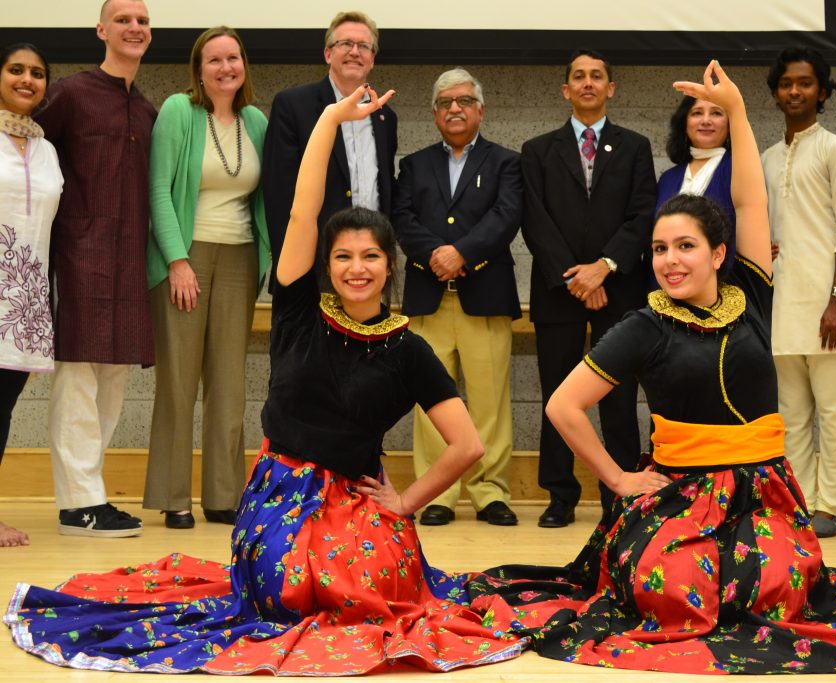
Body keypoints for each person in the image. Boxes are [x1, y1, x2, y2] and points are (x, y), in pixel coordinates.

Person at [465, 60, 836, 676]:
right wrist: (621, 481)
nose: (670, 261)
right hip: (676, 494)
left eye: (684, 247)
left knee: (779, 584)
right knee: (675, 591)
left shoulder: (753, 294)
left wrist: (734, 110)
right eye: (658, 249)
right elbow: (562, 406)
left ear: (719, 253)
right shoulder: (644, 324)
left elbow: (751, 197)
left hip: (761, 492)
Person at [5, 85, 525, 675]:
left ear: (389, 265)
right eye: (344, 257)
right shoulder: (300, 307)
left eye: (371, 257)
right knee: (292, 589)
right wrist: (330, 118)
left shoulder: (408, 347)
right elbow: (304, 211)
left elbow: (469, 445)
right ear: (326, 265)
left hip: (359, 501)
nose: (357, 269)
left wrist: (404, 502)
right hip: (284, 494)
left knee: (376, 591)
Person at [34, 0, 156, 537]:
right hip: (77, 256)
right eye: (124, 19)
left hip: (131, 260)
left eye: (143, 21)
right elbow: (24, 147)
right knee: (79, 380)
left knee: (113, 381)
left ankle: (93, 493)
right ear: (102, 30)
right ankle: (77, 503)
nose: (135, 27)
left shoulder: (150, 110)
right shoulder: (69, 93)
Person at [521, 49, 656, 527]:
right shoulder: (537, 150)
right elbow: (534, 222)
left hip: (619, 293)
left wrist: (604, 267)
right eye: (577, 76)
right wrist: (577, 277)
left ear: (611, 88)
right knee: (557, 395)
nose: (587, 83)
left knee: (618, 398)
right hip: (559, 294)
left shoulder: (636, 146)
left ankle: (617, 497)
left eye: (597, 76)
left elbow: (643, 215)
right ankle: (560, 496)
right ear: (565, 89)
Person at [143, 27, 271, 529]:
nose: (225, 68)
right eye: (214, 59)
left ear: (244, 65)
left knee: (229, 382)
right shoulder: (179, 111)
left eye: (233, 58)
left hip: (241, 258)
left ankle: (222, 495)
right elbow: (158, 187)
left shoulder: (255, 120)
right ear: (199, 69)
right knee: (178, 380)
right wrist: (177, 259)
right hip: (186, 254)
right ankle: (173, 496)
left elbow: (263, 199)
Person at [392, 68, 522, 527]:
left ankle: (490, 492)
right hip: (428, 299)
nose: (455, 109)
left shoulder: (506, 162)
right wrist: (436, 257)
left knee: (489, 400)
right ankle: (438, 492)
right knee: (432, 403)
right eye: (446, 102)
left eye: (464, 101)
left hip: (484, 297)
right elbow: (403, 219)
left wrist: (462, 253)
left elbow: (507, 216)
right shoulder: (413, 165)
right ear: (433, 113)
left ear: (480, 110)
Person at [760, 47, 836, 538]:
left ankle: (830, 505)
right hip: (783, 304)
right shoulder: (767, 157)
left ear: (822, 92)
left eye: (805, 83)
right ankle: (798, 500)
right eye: (787, 83)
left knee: (832, 412)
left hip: (830, 306)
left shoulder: (835, 149)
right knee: (791, 415)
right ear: (776, 91)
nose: (795, 91)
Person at [262, 10, 397, 284]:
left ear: (372, 59)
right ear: (328, 54)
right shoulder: (293, 106)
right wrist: (290, 271)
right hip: (310, 268)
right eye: (345, 44)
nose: (355, 52)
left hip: (368, 270)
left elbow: (384, 190)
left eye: (364, 46)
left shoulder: (386, 117)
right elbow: (279, 194)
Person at [0, 43, 62, 548]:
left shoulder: (46, 149)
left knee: (1, 410)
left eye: (37, 73)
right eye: (16, 69)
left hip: (24, 305)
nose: (27, 79)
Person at [653, 94, 735, 280]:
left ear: (730, 124)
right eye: (697, 113)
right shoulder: (667, 179)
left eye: (716, 113)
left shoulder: (739, 170)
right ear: (684, 122)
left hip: (721, 289)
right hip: (667, 288)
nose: (706, 120)